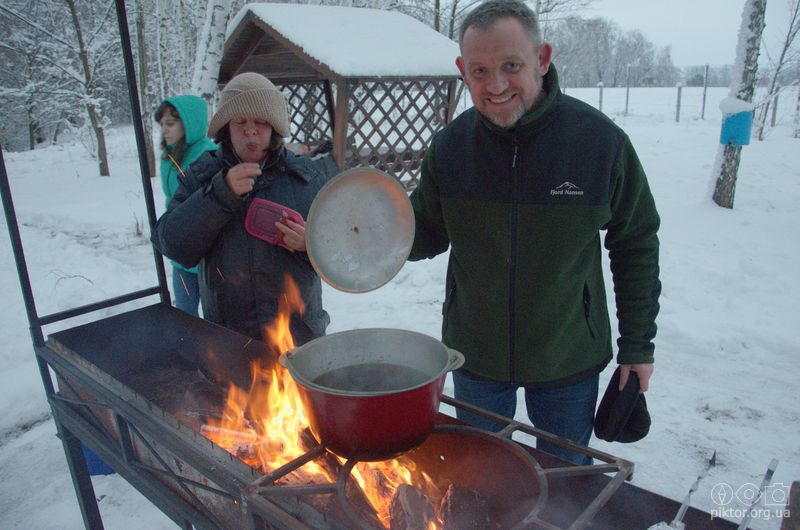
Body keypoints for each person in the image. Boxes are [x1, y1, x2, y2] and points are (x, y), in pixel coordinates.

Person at [408, 0, 661, 464]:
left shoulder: (599, 144)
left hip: (567, 357)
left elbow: (635, 243)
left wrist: (638, 345)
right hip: (475, 356)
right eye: (480, 71)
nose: (496, 85)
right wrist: (361, 234)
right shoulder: (449, 149)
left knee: (563, 479)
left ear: (543, 59)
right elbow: (423, 231)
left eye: (511, 66)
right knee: (477, 475)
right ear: (463, 70)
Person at [152, 72, 332, 345]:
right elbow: (172, 244)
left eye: (260, 121)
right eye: (240, 122)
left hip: (298, 338)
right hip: (230, 341)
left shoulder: (305, 177)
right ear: (226, 127)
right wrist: (219, 194)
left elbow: (341, 257)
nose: (251, 130)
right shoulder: (203, 175)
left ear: (274, 127)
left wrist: (311, 245)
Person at [155, 95, 219, 317]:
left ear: (189, 123)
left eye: (171, 123)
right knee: (184, 315)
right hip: (181, 251)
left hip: (207, 255)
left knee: (215, 317)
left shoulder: (208, 154)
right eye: (162, 124)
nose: (164, 130)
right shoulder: (171, 155)